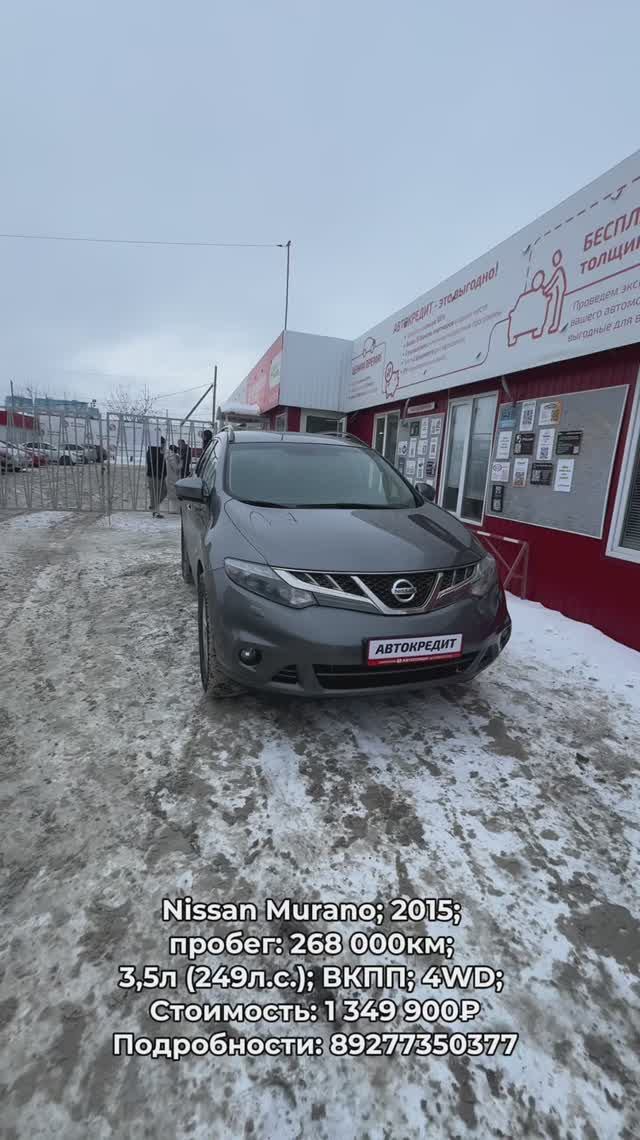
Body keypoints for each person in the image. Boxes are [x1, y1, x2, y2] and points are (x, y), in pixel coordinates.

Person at [146, 431, 167, 517]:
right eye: (163, 443)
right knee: (156, 493)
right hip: (154, 475)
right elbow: (154, 463)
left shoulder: (158, 451)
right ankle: (155, 511)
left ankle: (154, 507)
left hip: (159, 475)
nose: (164, 445)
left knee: (163, 492)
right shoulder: (153, 451)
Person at [166, 444, 180, 508]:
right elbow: (176, 468)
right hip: (173, 477)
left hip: (167, 476)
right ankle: (173, 508)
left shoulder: (167, 455)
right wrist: (181, 463)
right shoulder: (173, 457)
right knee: (174, 495)